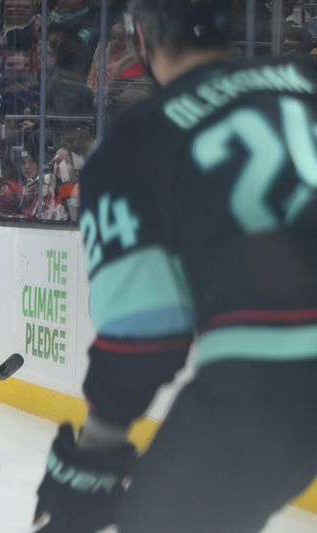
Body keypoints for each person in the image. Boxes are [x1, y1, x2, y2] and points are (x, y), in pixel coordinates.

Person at [33, 1, 317, 532]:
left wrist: (98, 449)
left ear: (142, 36)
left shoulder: (135, 140)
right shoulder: (306, 77)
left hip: (275, 379)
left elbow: (146, 331)